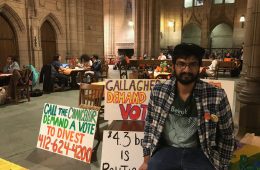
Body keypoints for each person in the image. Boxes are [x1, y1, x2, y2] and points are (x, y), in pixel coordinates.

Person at [139, 43, 235, 170]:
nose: (187, 70)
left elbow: (227, 135)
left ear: (199, 67)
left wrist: (223, 165)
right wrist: (146, 161)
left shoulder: (217, 95)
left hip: (201, 153)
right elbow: (149, 126)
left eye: (192, 64)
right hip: (166, 151)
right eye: (181, 64)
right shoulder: (159, 91)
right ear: (173, 66)